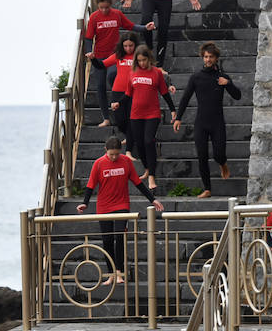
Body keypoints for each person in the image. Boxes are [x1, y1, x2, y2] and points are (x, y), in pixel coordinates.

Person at [75, 137, 164, 284]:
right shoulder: (98, 164)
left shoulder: (126, 161)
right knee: (107, 240)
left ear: (120, 152)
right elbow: (90, 186)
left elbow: (137, 183)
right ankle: (110, 274)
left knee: (119, 237)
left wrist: (152, 199)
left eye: (116, 154)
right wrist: (85, 203)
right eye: (111, 155)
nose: (114, 157)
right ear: (106, 151)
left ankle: (119, 273)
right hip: (103, 207)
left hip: (121, 205)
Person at [171, 43, 242, 199]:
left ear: (216, 58)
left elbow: (238, 96)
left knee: (219, 154)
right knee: (202, 155)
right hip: (201, 123)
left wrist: (228, 84)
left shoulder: (222, 77)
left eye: (211, 57)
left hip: (217, 123)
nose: (208, 59)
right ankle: (207, 189)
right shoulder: (196, 77)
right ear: (202, 57)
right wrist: (178, 118)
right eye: (206, 57)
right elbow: (185, 98)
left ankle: (222, 163)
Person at [122, 45, 175, 190]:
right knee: (139, 144)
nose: (142, 63)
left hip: (152, 113)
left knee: (148, 141)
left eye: (144, 60)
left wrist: (173, 110)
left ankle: (152, 177)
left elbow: (164, 92)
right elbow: (128, 94)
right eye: (139, 61)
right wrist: (118, 103)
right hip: (136, 114)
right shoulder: (132, 72)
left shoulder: (156, 72)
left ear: (149, 59)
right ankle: (147, 169)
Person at [85, 0, 137, 128]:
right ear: (97, 6)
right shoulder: (94, 17)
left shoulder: (117, 14)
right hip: (100, 55)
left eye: (106, 7)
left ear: (111, 5)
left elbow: (130, 26)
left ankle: (120, 107)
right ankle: (106, 118)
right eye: (101, 7)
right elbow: (89, 37)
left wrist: (145, 27)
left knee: (113, 75)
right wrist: (90, 52)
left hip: (115, 54)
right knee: (100, 86)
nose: (104, 10)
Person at [107, 32, 140, 152]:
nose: (128, 48)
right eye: (125, 46)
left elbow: (151, 68)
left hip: (134, 91)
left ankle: (130, 139)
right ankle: (130, 135)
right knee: (119, 119)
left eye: (131, 46)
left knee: (131, 117)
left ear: (135, 45)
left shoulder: (139, 56)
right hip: (118, 91)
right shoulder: (118, 56)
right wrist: (93, 58)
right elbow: (103, 64)